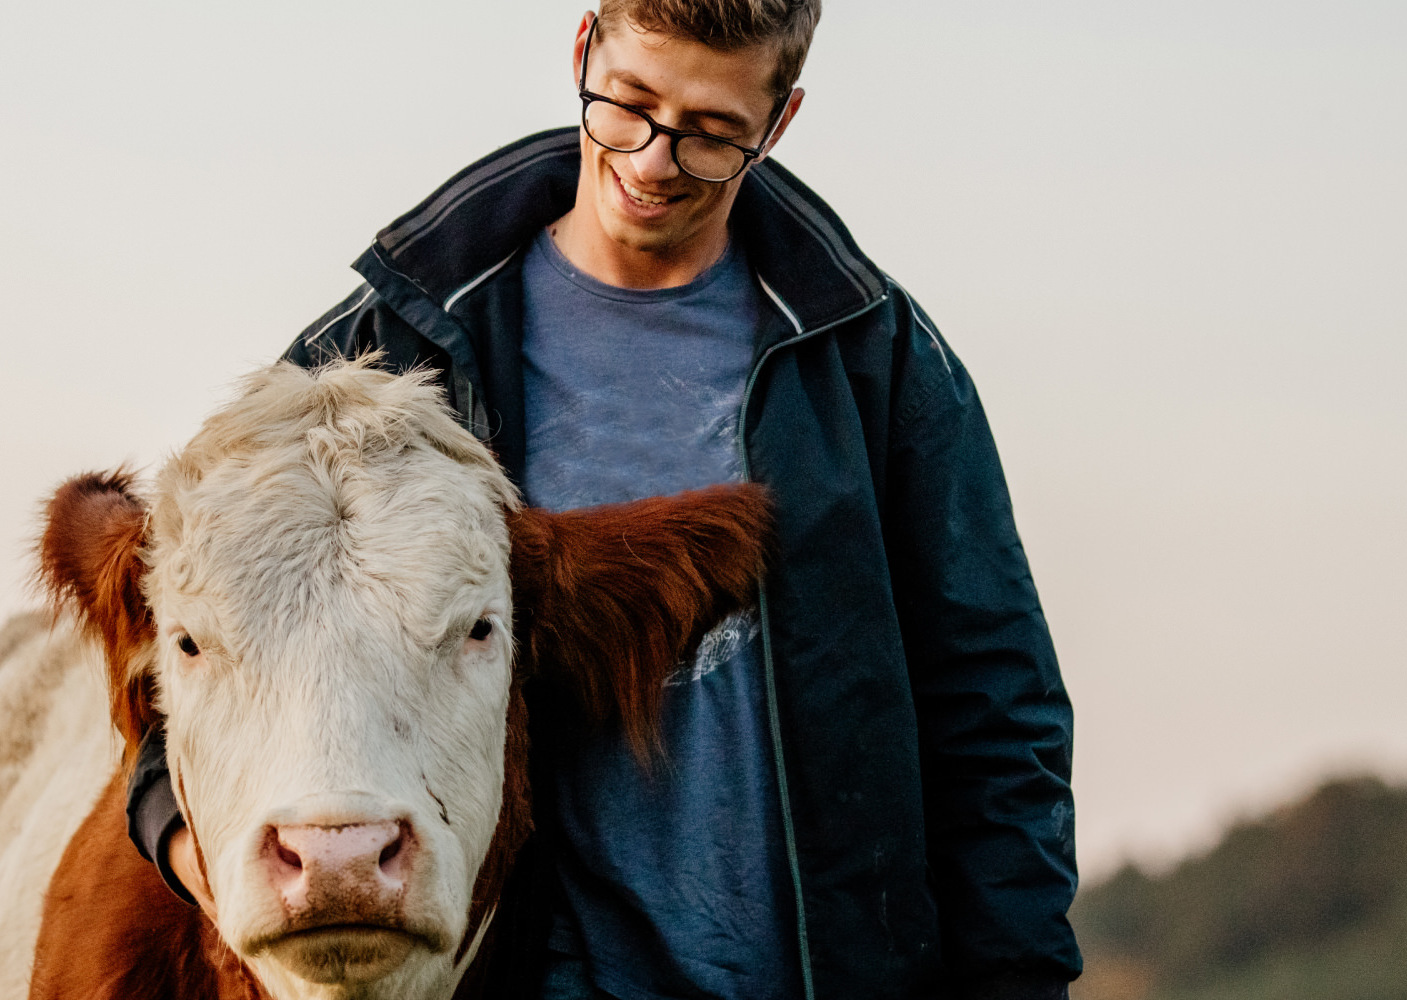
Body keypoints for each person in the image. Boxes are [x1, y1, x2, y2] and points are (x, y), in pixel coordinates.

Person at [125, 2, 1079, 998]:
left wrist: (1020, 977)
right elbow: (193, 655)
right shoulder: (390, 350)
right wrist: (189, 848)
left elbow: (994, 702)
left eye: (710, 134)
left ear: (779, 122)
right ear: (583, 51)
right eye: (627, 104)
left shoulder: (865, 356)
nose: (655, 160)